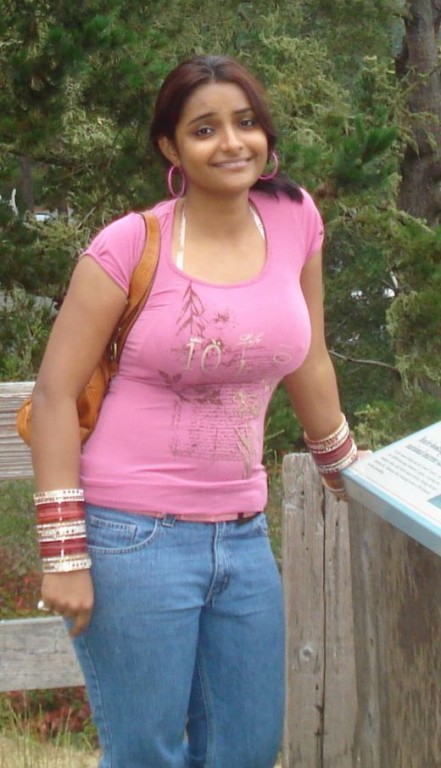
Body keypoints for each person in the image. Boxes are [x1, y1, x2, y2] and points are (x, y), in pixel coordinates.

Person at [31, 54, 358, 768]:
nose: (232, 143)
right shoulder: (128, 244)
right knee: (147, 754)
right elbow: (53, 396)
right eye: (204, 129)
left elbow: (309, 356)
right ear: (170, 148)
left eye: (246, 123)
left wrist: (346, 474)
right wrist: (64, 554)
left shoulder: (294, 218)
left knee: (247, 749)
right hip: (131, 538)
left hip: (243, 535)